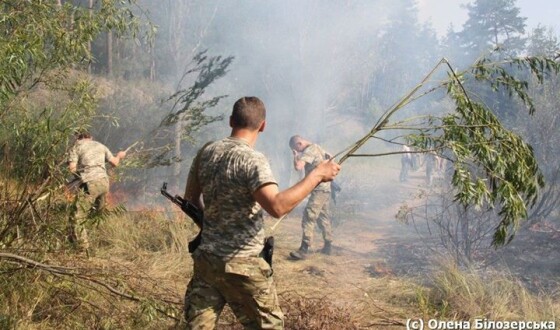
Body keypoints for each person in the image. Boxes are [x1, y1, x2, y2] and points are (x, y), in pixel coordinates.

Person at [182, 96, 341, 329]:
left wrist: (212, 227)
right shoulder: (253, 159)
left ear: (230, 121)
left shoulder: (206, 152)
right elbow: (277, 206)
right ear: (263, 126)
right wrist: (316, 175)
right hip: (243, 267)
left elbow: (190, 200)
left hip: (207, 262)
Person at [67, 131, 126, 254]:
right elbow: (114, 163)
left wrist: (80, 176)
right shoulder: (100, 145)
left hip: (90, 184)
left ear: (77, 137)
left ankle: (82, 249)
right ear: (90, 137)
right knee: (95, 214)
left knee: (77, 217)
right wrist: (120, 156)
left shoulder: (76, 147)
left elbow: (72, 169)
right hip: (104, 183)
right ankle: (94, 238)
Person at [288, 135, 335, 260]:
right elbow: (331, 157)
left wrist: (295, 156)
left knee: (309, 215)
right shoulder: (318, 148)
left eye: (297, 149)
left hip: (319, 189)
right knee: (322, 216)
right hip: (325, 188)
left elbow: (298, 167)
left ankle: (304, 248)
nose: (299, 152)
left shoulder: (309, 151)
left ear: (299, 143)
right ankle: (328, 245)